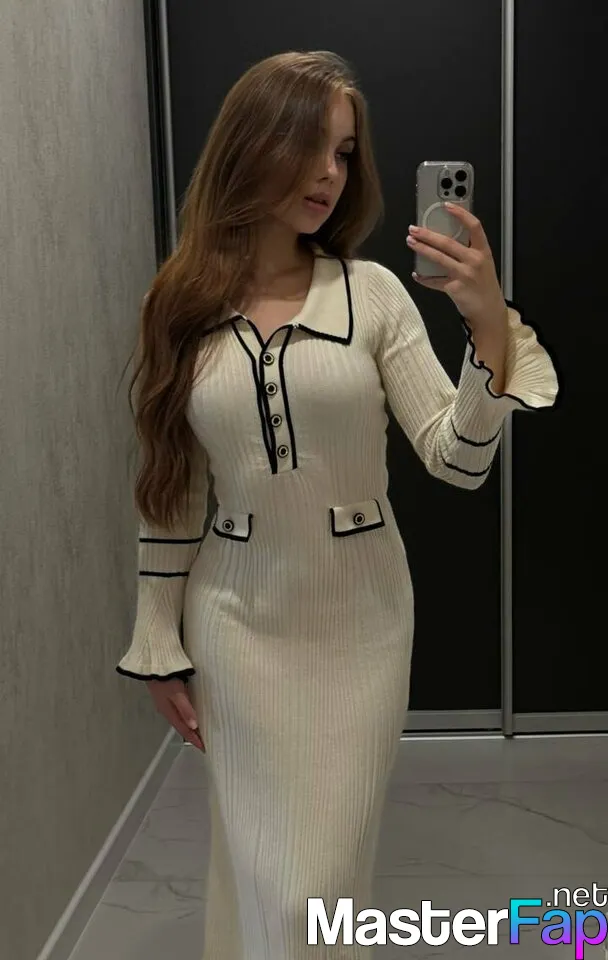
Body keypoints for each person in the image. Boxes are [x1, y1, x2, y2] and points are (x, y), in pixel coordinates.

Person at [116, 50, 558, 959]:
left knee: (316, 882)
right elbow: (172, 488)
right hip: (236, 624)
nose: (330, 173)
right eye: (310, 146)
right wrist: (158, 638)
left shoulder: (374, 295)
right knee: (259, 866)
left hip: (361, 624)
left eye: (345, 153)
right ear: (251, 145)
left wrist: (487, 325)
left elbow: (458, 460)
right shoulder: (180, 305)